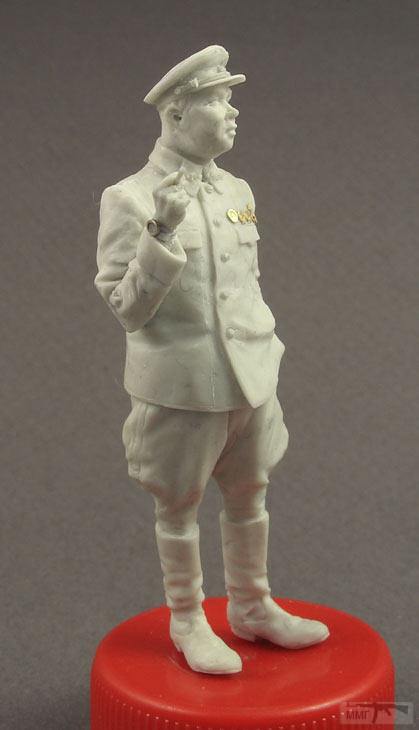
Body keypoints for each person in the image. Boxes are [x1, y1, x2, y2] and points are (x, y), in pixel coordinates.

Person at [95, 45, 329, 675]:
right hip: (182, 386)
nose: (232, 112)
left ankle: (252, 605)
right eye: (217, 100)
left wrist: (266, 347)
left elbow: (244, 283)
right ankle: (187, 618)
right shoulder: (129, 198)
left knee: (251, 494)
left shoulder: (238, 189)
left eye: (231, 99)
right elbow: (126, 308)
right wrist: (162, 234)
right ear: (177, 113)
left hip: (250, 377)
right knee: (178, 505)